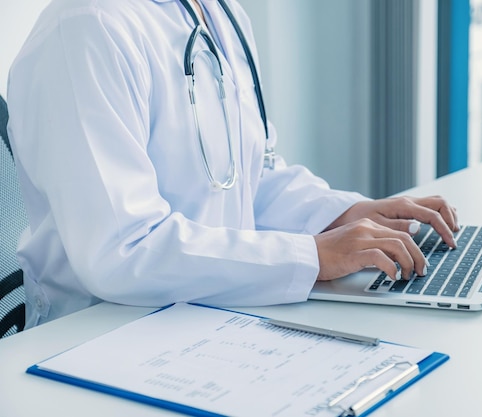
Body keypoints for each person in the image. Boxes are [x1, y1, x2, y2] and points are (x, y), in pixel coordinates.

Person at [7, 0, 459, 329]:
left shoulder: (219, 14)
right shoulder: (87, 28)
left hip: (211, 312)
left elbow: (249, 177)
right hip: (100, 334)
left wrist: (341, 216)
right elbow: (121, 252)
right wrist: (311, 256)